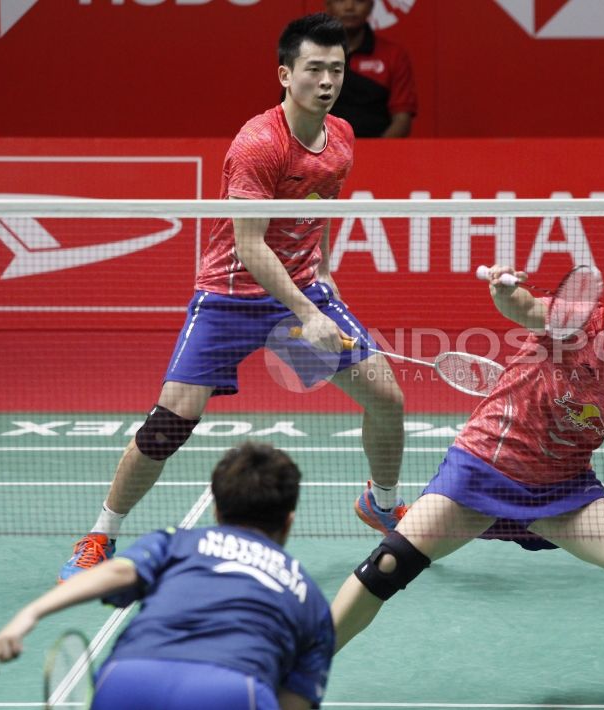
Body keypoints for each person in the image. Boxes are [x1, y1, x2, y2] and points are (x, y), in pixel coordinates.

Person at [59, 13, 407, 582]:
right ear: (284, 73)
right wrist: (308, 312)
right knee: (171, 424)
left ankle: (383, 504)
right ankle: (101, 534)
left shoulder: (341, 136)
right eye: (313, 69)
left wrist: (323, 270)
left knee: (387, 399)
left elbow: (321, 207)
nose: (327, 81)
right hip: (230, 297)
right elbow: (248, 246)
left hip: (300, 288)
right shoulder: (258, 143)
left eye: (336, 70)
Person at [329, 245, 604, 701]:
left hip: (562, 491)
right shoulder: (575, 319)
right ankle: (305, 663)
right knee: (389, 564)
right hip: (483, 466)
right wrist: (503, 290)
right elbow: (527, 308)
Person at [0, 442, 333, 710]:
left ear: (215, 509)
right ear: (289, 521)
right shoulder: (309, 597)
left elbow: (118, 571)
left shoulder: (176, 542)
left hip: (127, 678)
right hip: (232, 689)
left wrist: (30, 613)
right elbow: (294, 702)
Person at [325, 0, 417, 138]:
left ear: (371, 6)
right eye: (341, 0)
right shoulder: (309, 55)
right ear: (328, 6)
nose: (349, 7)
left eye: (359, 1)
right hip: (322, 155)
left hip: (379, 155)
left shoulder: (394, 55)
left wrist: (376, 154)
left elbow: (402, 121)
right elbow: (294, 116)